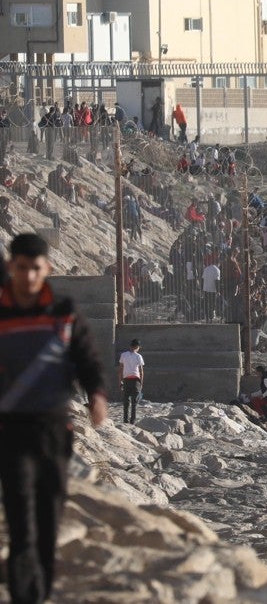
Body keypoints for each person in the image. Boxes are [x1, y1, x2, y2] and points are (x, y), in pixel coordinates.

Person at [0, 233, 107, 604]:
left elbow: (86, 358)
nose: (28, 276)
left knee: (48, 520)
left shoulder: (63, 311)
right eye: (22, 268)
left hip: (53, 429)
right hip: (10, 430)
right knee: (21, 522)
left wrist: (96, 395)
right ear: (11, 267)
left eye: (35, 268)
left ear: (47, 269)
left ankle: (41, 593)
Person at [118, 337, 144, 424]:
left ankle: (125, 420)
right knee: (134, 402)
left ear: (130, 346)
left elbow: (120, 369)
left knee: (126, 402)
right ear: (137, 347)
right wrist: (141, 383)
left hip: (126, 380)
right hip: (136, 380)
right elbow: (141, 371)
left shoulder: (123, 355)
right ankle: (132, 421)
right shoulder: (139, 356)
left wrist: (120, 381)